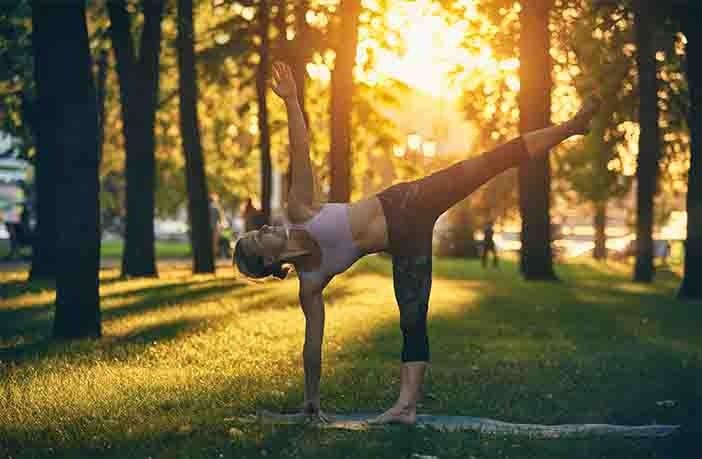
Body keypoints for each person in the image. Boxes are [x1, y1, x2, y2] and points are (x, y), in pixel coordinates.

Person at [234, 61, 600, 424]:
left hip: (409, 200)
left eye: (258, 228)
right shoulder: (310, 284)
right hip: (407, 242)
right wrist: (311, 400)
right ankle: (406, 407)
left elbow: (301, 149)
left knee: (491, 161)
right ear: (267, 263)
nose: (264, 227)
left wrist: (292, 101)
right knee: (412, 318)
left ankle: (570, 127)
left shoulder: (298, 209)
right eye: (258, 237)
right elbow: (312, 345)